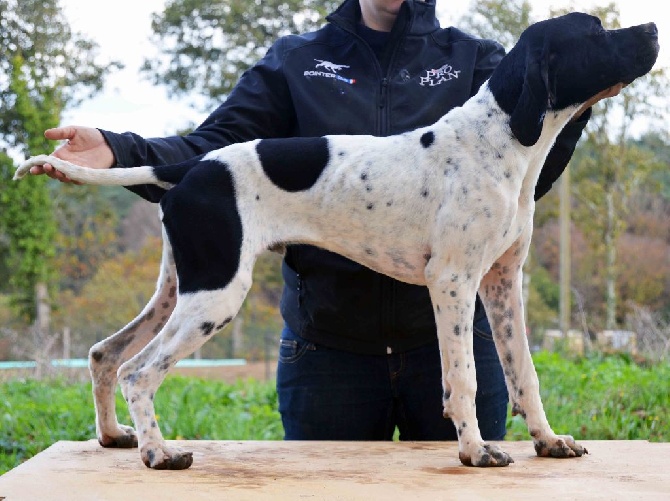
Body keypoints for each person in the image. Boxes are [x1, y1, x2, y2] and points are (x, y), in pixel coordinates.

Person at [31, 0, 616, 441]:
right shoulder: (297, 60)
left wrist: (581, 100)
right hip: (327, 355)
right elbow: (211, 150)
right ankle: (129, 382)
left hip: (455, 349)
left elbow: (527, 171)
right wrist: (118, 150)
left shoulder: (478, 59)